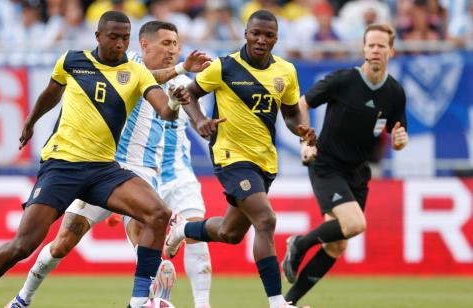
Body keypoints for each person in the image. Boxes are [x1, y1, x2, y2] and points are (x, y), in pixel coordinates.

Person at [0, 11, 189, 308]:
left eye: (124, 39)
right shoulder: (72, 61)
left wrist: (173, 101)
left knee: (157, 213)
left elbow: (164, 111)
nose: (119, 44)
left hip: (104, 169)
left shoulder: (137, 72)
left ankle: (139, 302)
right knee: (23, 245)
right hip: (62, 166)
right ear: (98, 37)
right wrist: (31, 120)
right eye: (114, 37)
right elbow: (51, 93)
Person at [5, 21, 214, 308]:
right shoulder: (129, 66)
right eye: (165, 43)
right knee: (62, 243)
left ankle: (149, 297)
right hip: (104, 167)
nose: (172, 50)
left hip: (140, 173)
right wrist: (180, 68)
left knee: (143, 234)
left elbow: (188, 103)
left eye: (176, 44)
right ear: (144, 44)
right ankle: (22, 298)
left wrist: (202, 121)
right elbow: (139, 78)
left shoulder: (177, 84)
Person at [164, 10, 315, 308]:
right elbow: (190, 94)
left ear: (276, 39)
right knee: (266, 219)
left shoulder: (285, 71)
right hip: (230, 156)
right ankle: (277, 302)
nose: (261, 40)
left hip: (264, 160)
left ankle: (182, 229)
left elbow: (290, 112)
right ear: (245, 33)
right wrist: (200, 122)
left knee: (230, 233)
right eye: (255, 33)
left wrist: (301, 131)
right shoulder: (224, 67)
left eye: (268, 35)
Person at [281, 23, 409, 306]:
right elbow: (301, 104)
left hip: (357, 172)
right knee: (354, 224)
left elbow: (398, 136)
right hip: (326, 164)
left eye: (381, 46)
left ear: (391, 50)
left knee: (337, 244)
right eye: (371, 45)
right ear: (363, 48)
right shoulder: (342, 80)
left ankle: (287, 303)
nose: (375, 50)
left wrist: (400, 140)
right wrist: (306, 141)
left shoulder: (394, 93)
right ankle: (298, 243)